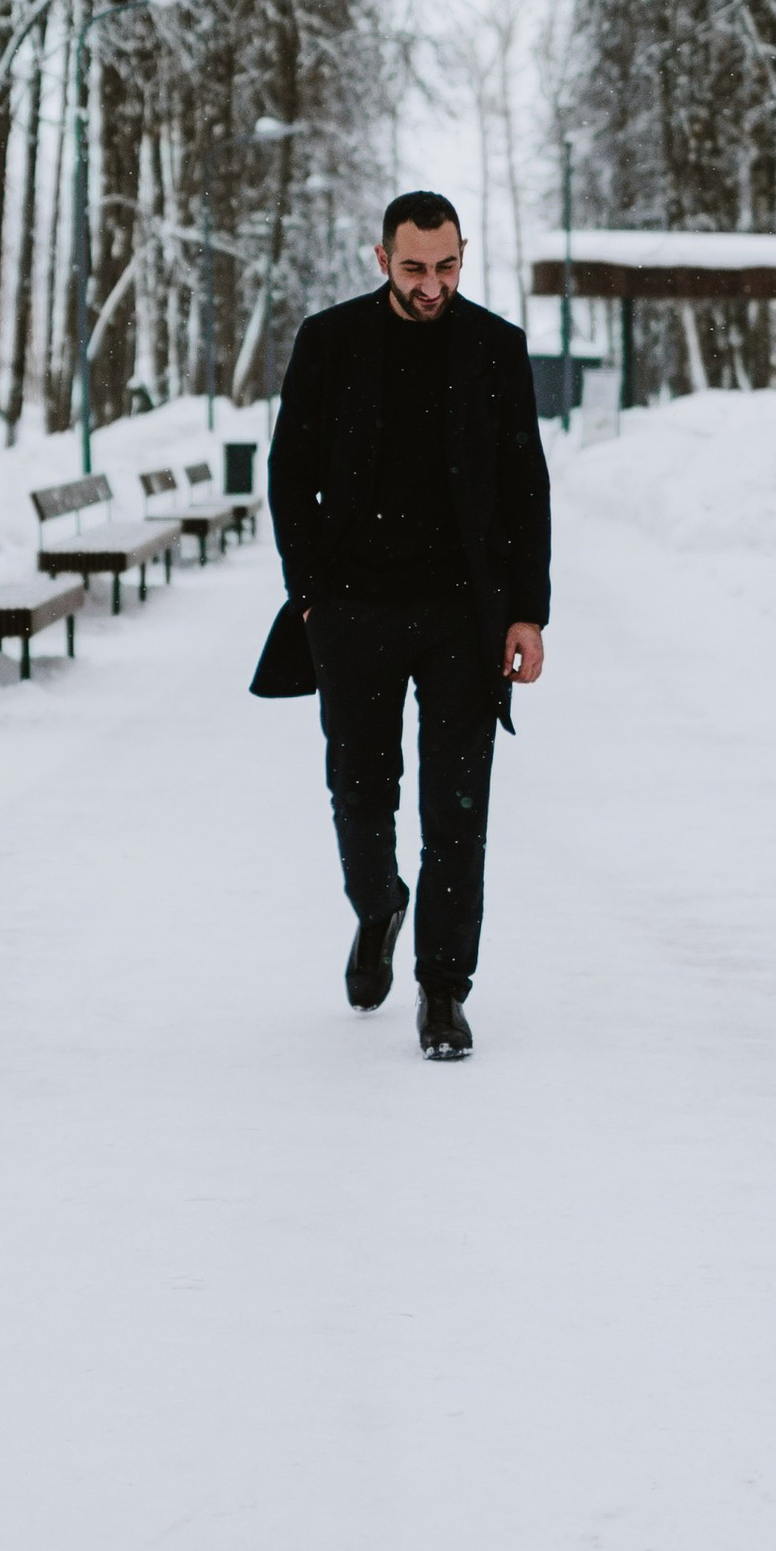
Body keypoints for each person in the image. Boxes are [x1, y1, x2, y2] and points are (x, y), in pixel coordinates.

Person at [251, 190, 550, 1060]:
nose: (432, 284)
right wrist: (310, 596)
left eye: (448, 265)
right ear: (381, 258)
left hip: (464, 613)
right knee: (359, 795)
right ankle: (379, 904)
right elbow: (288, 471)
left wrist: (527, 611)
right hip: (353, 608)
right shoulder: (331, 342)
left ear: (464, 254)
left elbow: (525, 486)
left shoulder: (496, 348)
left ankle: (444, 989)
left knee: (458, 811)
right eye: (415, 267)